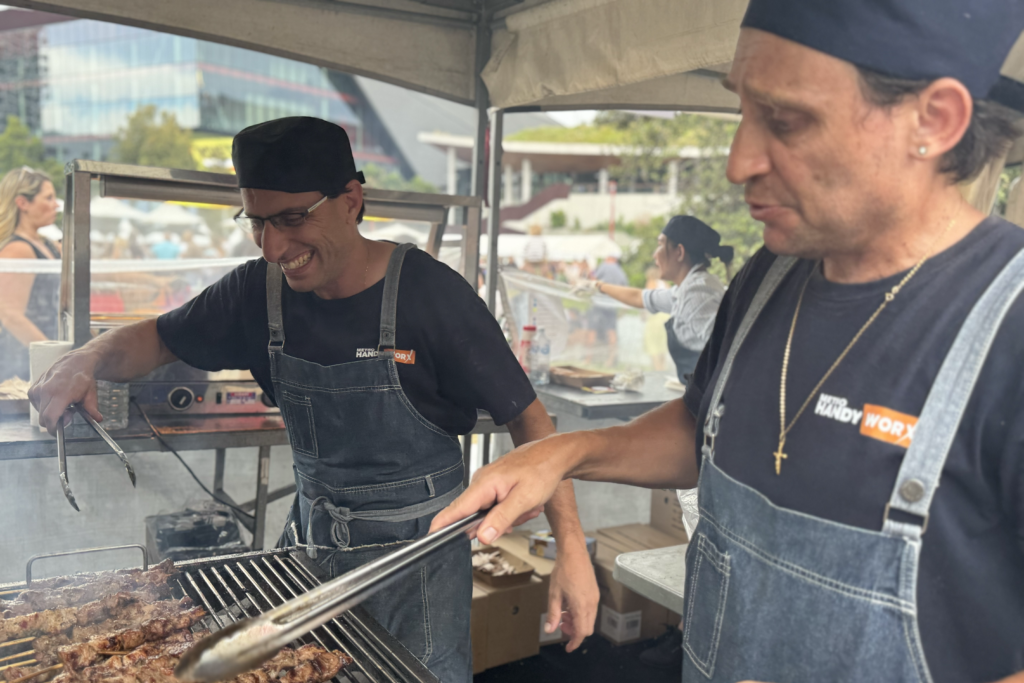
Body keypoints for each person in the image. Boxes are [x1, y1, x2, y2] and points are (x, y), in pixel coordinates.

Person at [432, 2, 1024, 682]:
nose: (739, 161)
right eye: (742, 108)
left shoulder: (1008, 321)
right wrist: (564, 452)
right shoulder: (769, 277)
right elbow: (703, 428)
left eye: (786, 119)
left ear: (935, 121)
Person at [29, 117, 598, 682]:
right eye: (257, 223)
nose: (274, 245)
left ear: (351, 200)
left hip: (415, 566)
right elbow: (156, 337)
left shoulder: (430, 294)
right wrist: (87, 359)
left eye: (292, 218)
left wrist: (570, 547)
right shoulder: (257, 291)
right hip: (309, 548)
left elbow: (532, 422)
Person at [591, 216, 732, 381]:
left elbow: (726, 353)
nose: (654, 255)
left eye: (659, 245)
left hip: (709, 399)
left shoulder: (697, 295)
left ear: (679, 252)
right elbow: (639, 297)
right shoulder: (687, 289)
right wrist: (598, 286)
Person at [0, 167, 61, 382]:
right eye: (49, 197)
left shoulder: (48, 245)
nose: (56, 204)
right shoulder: (18, 249)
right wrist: (55, 360)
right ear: (22, 203)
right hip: (22, 365)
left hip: (42, 357)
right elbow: (11, 315)